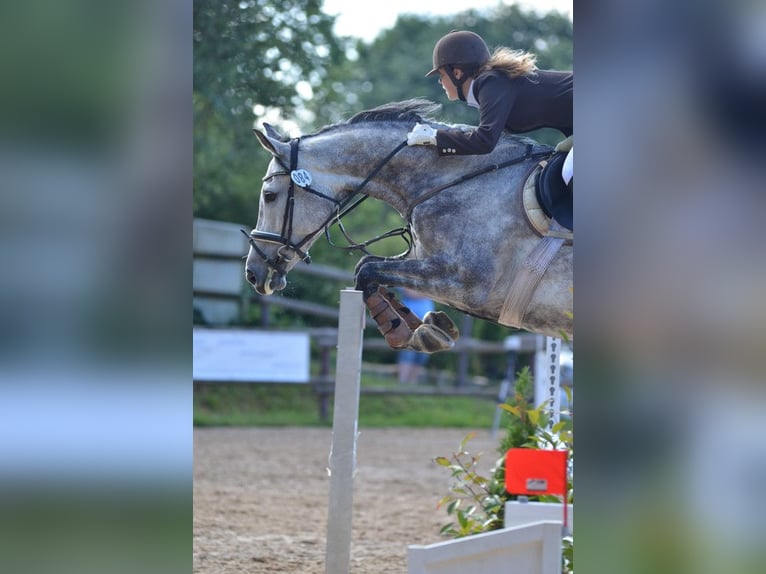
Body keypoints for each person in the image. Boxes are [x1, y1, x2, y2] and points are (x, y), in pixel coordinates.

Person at [407, 30, 573, 189]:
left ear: (456, 73)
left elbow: (484, 141)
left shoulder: (491, 83)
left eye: (441, 75)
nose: (440, 82)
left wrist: (435, 136)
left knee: (567, 174)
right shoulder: (492, 83)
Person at [396, 288, 435, 384]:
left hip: (427, 320)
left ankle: (412, 383)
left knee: (422, 354)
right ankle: (402, 382)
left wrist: (424, 293)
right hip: (409, 319)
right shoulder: (405, 274)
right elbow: (410, 293)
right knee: (408, 352)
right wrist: (426, 292)